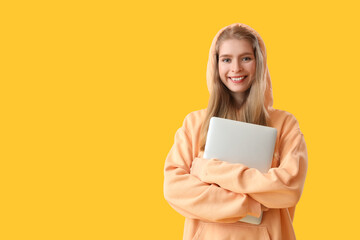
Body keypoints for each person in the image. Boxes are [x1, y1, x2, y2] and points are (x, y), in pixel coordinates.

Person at [163, 23, 308, 240]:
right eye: (227, 59)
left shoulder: (285, 124)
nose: (236, 68)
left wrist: (208, 171)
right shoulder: (194, 123)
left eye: (246, 58)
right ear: (216, 64)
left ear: (259, 62)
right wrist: (251, 203)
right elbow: (175, 188)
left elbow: (288, 188)